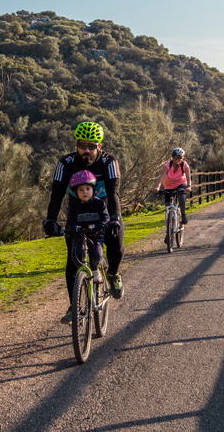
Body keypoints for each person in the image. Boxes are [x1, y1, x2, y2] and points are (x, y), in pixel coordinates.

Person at [43, 122, 126, 322]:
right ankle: (74, 306)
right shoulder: (66, 164)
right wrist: (51, 220)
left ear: (99, 146)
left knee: (115, 244)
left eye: (91, 146)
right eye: (82, 146)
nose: (86, 150)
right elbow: (57, 195)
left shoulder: (109, 162)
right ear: (76, 145)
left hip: (104, 210)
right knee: (74, 258)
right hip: (77, 214)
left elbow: (113, 193)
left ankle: (113, 274)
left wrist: (114, 219)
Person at [59, 170, 111, 324]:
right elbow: (71, 221)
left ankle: (95, 271)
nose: (84, 192)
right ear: (76, 192)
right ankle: (81, 279)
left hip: (96, 237)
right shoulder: (74, 207)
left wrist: (103, 225)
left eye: (87, 189)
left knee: (96, 254)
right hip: (80, 238)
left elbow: (105, 217)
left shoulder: (99, 203)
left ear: (93, 189)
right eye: (80, 190)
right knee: (75, 256)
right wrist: (72, 228)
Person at [152, 147, 192, 225]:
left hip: (181, 184)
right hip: (168, 186)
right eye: (175, 157)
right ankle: (168, 230)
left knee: (181, 193)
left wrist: (189, 186)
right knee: (168, 206)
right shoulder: (168, 165)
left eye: (179, 158)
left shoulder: (184, 165)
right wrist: (158, 187)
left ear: (182, 158)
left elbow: (188, 176)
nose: (177, 159)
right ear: (172, 157)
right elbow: (162, 176)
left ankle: (183, 216)